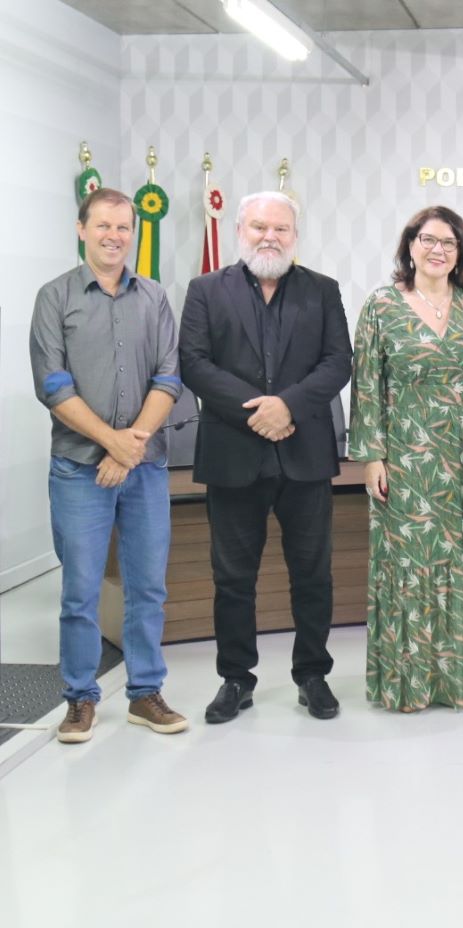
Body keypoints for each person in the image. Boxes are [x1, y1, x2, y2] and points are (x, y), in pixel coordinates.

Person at [179, 191, 353, 723]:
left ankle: (313, 675)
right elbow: (194, 363)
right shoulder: (206, 289)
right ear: (239, 231)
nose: (269, 236)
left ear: (295, 236)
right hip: (235, 452)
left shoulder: (322, 290)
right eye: (259, 227)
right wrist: (257, 411)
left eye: (280, 228)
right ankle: (235, 679)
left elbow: (337, 360)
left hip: (304, 452)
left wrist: (288, 406)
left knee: (313, 574)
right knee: (233, 577)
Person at [29, 186, 188, 743]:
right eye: (104, 226)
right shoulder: (55, 298)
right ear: (82, 230)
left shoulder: (155, 298)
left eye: (124, 228)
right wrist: (111, 443)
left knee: (148, 587)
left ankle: (145, 693)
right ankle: (80, 698)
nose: (115, 236)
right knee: (79, 590)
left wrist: (133, 445)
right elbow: (53, 385)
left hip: (143, 470)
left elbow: (169, 376)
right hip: (78, 470)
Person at [348, 206, 463, 711]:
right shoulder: (381, 305)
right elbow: (366, 384)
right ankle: (412, 683)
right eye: (428, 239)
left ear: (460, 252)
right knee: (411, 566)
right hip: (406, 456)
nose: (437, 249)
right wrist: (371, 456)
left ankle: (459, 680)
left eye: (449, 242)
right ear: (410, 245)